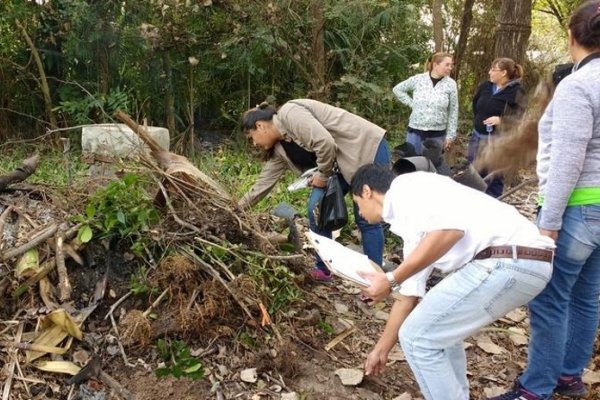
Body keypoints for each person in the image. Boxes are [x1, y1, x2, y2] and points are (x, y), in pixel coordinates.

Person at [350, 164, 554, 400]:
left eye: (357, 204)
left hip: (507, 259)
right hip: (526, 262)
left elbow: (450, 231)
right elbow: (408, 297)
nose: (361, 213)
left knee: (418, 339)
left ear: (367, 191)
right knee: (438, 333)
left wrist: (391, 278)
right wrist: (381, 350)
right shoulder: (412, 221)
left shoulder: (406, 188)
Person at [489, 2, 600, 399]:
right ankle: (569, 376)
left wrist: (549, 220)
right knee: (586, 297)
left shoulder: (578, 85)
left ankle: (536, 388)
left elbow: (569, 159)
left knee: (550, 298)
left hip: (578, 209)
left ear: (572, 36)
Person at [238, 99, 391, 282]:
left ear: (260, 126)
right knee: (316, 209)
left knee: (366, 218)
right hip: (337, 166)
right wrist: (236, 209)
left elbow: (325, 143)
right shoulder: (280, 149)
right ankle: (324, 268)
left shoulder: (290, 113)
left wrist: (323, 176)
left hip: (364, 148)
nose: (253, 143)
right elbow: (263, 184)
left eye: (251, 137)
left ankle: (374, 279)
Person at [468, 57, 525, 198]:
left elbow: (521, 118)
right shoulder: (485, 86)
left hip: (499, 141)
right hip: (477, 137)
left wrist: (501, 120)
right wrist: (478, 121)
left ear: (504, 72)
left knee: (495, 176)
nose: (489, 72)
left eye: (493, 69)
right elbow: (475, 105)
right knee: (472, 172)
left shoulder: (517, 91)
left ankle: (493, 204)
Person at [392, 53, 458, 155]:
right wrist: (412, 103)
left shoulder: (451, 84)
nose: (450, 68)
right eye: (447, 64)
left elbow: (453, 111)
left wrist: (450, 136)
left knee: (432, 166)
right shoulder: (418, 79)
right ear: (436, 65)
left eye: (451, 65)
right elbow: (397, 89)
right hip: (415, 132)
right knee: (412, 164)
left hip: (437, 134)